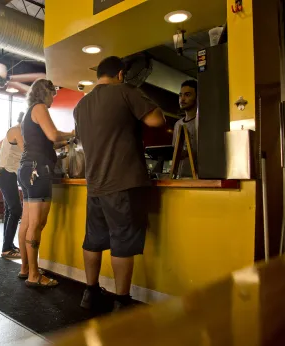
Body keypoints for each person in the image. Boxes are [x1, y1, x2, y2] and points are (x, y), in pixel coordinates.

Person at [73, 56, 165, 311]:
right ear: (121, 74)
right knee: (122, 243)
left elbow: (82, 139)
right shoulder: (125, 91)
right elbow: (157, 120)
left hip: (95, 185)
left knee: (93, 240)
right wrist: (140, 93)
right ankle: (122, 302)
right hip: (123, 182)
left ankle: (89, 292)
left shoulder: (80, 106)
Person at [17, 79, 74, 288]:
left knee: (27, 222)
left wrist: (68, 139)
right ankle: (34, 275)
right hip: (37, 169)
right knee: (37, 224)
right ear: (45, 92)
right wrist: (75, 133)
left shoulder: (30, 112)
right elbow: (54, 134)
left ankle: (25, 269)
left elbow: (52, 140)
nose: (53, 98)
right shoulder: (40, 107)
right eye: (53, 94)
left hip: (27, 168)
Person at [0, 112, 25, 259]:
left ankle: (8, 246)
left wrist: (9, 153)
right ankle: (7, 248)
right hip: (6, 172)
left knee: (10, 210)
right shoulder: (17, 130)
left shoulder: (14, 132)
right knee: (16, 209)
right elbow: (27, 150)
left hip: (6, 172)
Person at [173, 80, 198, 177]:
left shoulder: (203, 122)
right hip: (181, 176)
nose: (182, 99)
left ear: (197, 97)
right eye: (180, 95)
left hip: (200, 176)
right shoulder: (177, 124)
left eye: (187, 95)